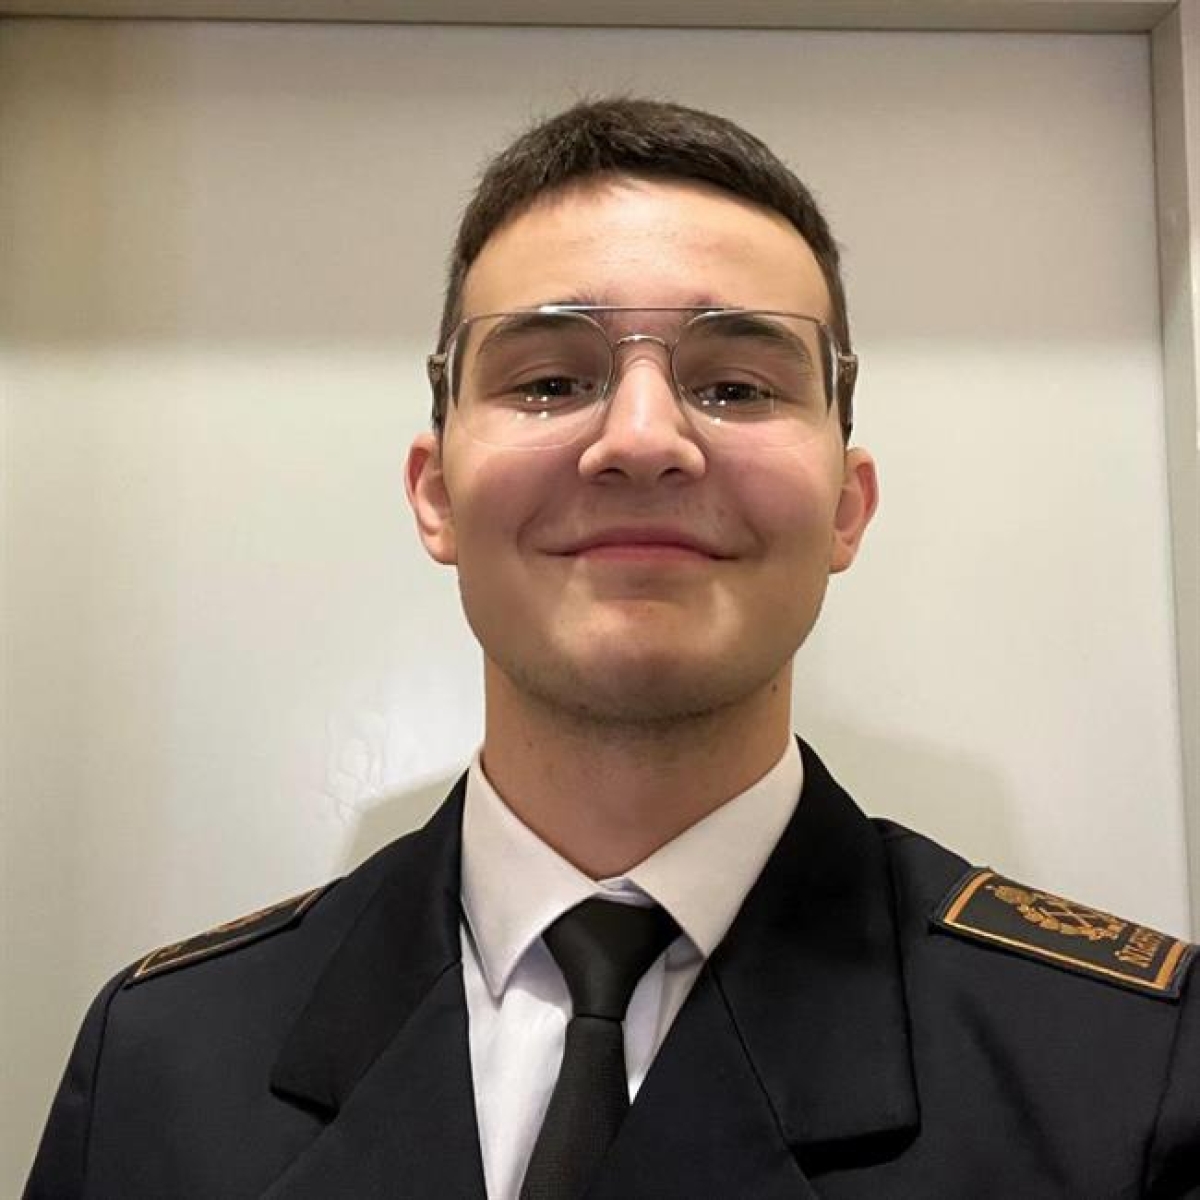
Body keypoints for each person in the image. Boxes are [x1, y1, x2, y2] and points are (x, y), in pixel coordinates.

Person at [23, 97, 1200, 1199]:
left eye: (736, 386)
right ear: (435, 495)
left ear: (847, 509)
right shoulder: (160, 1060)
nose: (642, 439)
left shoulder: (1134, 1067)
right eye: (549, 381)